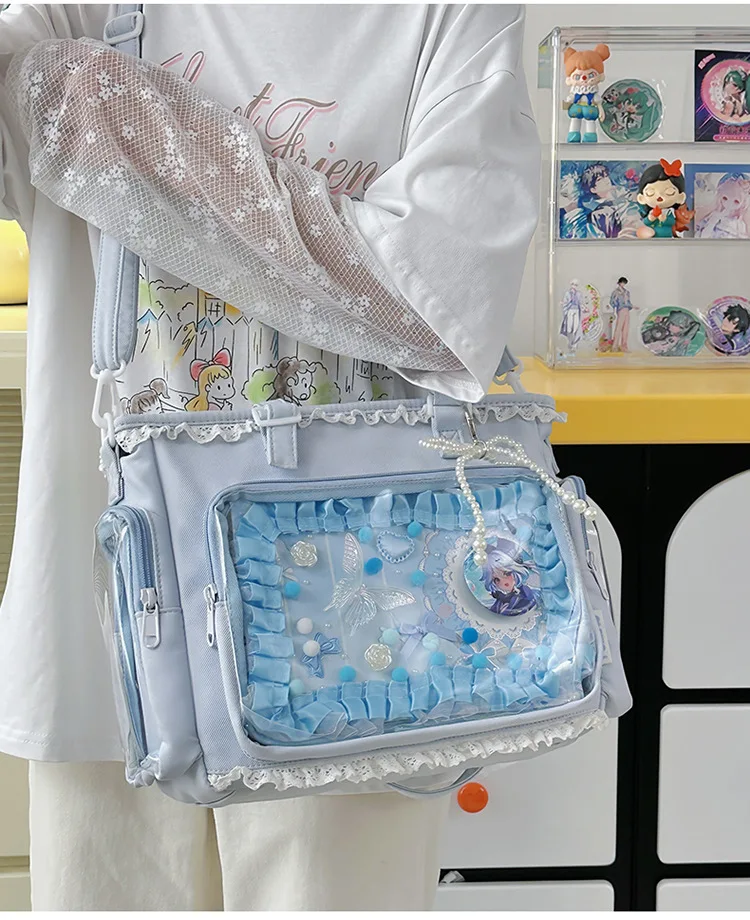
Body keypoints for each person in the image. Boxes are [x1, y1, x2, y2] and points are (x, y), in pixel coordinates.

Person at [0, 4, 540, 911]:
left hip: (361, 629)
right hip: (113, 620)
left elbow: (439, 309)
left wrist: (113, 115)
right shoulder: (74, 10)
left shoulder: (449, 14)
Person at [610, 276, 634, 353]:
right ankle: (615, 346)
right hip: (621, 310)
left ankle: (624, 346)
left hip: (627, 310)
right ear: (619, 283)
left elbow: (628, 302)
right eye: (622, 283)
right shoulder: (616, 292)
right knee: (618, 328)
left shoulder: (627, 292)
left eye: (624, 283)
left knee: (626, 328)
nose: (623, 284)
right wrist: (614, 308)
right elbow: (612, 302)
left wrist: (632, 306)